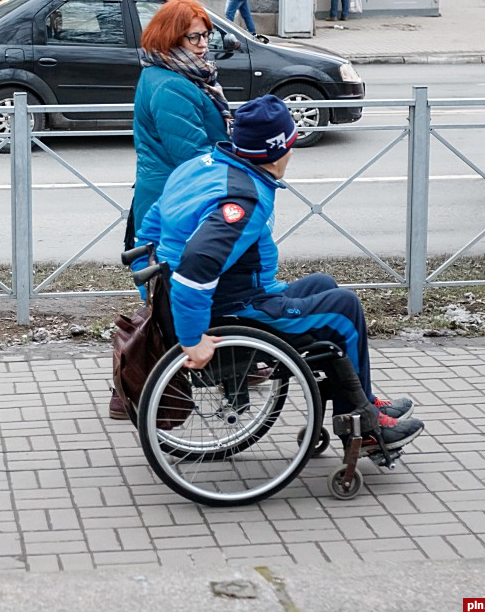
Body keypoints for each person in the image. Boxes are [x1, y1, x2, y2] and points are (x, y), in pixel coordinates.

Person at [136, 95, 424, 453]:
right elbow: (198, 266)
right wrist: (192, 338)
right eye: (290, 144)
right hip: (234, 307)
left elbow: (149, 221)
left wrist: (146, 274)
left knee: (323, 285)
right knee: (343, 308)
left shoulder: (202, 165)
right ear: (278, 150)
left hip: (228, 294)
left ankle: (360, 399)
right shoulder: (242, 201)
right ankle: (362, 429)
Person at [112, 0, 230, 420]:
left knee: (157, 301)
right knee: (160, 305)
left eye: (205, 35)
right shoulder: (171, 85)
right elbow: (192, 154)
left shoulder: (176, 75)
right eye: (193, 36)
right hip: (171, 203)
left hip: (164, 197)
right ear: (171, 37)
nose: (202, 44)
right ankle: (137, 387)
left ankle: (133, 386)